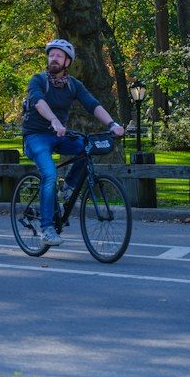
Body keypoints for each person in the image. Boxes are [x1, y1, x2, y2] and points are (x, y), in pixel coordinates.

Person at [23, 39, 124, 244]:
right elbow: (38, 102)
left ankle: (67, 188)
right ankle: (47, 228)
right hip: (36, 136)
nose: (54, 58)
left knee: (85, 147)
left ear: (67, 61)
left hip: (59, 133)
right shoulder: (38, 80)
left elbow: (92, 104)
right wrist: (53, 120)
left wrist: (112, 124)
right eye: (51, 55)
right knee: (49, 174)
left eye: (59, 56)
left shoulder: (73, 85)